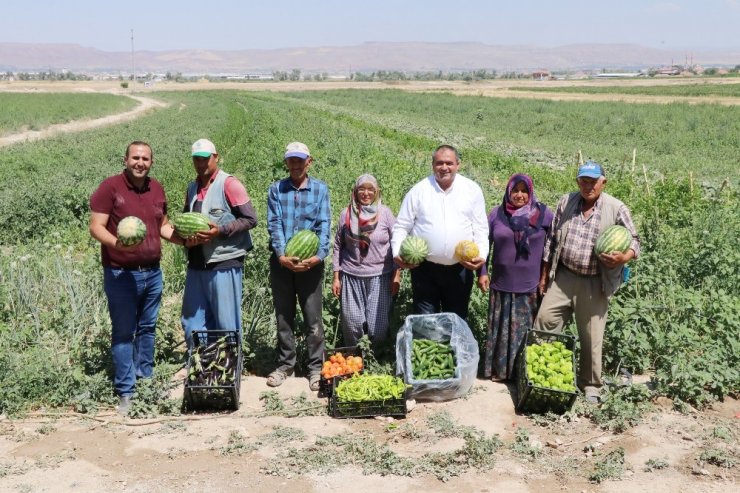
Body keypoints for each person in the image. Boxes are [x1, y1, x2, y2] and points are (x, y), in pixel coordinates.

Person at [89, 141, 183, 415]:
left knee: (147, 329)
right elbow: (96, 227)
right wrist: (117, 244)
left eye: (145, 158)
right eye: (135, 158)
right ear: (125, 159)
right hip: (121, 274)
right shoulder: (110, 187)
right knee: (123, 333)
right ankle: (126, 391)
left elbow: (162, 225)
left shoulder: (156, 188)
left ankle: (146, 382)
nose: (140, 162)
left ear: (151, 162)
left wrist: (186, 240)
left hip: (152, 272)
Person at [534, 161, 640, 403]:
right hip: (563, 277)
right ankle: (542, 374)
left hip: (595, 281)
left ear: (603, 182)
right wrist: (544, 276)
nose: (588, 185)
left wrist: (624, 256)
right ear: (577, 181)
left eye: (593, 181)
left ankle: (590, 385)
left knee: (591, 336)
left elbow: (635, 240)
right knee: (545, 321)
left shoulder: (616, 208)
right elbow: (551, 240)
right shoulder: (566, 202)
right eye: (583, 180)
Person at [391, 144, 488, 320]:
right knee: (426, 320)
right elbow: (402, 226)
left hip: (460, 269)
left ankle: (453, 348)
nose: (444, 167)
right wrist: (397, 253)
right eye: (439, 163)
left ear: (458, 164)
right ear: (432, 164)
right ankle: (428, 347)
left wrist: (481, 254)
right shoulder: (419, 190)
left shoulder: (472, 190)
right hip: (425, 270)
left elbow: (480, 228)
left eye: (449, 163)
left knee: (456, 320)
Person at [180, 138, 258, 348]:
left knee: (226, 323)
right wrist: (185, 238)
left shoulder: (229, 184)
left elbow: (251, 219)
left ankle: (229, 371)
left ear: (216, 157)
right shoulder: (191, 188)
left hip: (224, 262)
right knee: (192, 321)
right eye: (196, 159)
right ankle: (200, 367)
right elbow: (184, 219)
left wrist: (220, 231)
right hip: (196, 263)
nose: (201, 163)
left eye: (205, 158)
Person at [266, 142, 331, 391]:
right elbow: (274, 223)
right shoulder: (276, 190)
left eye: (299, 160)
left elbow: (324, 225)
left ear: (309, 162)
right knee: (284, 317)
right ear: (286, 163)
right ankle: (285, 365)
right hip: (281, 263)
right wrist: (282, 255)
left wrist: (319, 255)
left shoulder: (320, 190)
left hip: (311, 264)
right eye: (291, 160)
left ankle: (316, 368)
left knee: (313, 318)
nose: (295, 164)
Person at [477, 174, 553, 381]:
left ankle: (522, 373)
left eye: (524, 190)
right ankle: (500, 372)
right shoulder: (497, 214)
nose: (519, 195)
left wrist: (546, 277)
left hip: (530, 286)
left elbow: (552, 248)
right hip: (501, 285)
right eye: (515, 190)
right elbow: (483, 245)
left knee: (524, 331)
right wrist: (482, 272)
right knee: (501, 331)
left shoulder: (544, 215)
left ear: (530, 192)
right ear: (508, 191)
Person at [331, 174, 401, 347]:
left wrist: (396, 274)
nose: (366, 193)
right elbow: (338, 246)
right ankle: (355, 359)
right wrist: (336, 277)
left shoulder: (385, 214)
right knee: (352, 323)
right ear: (355, 192)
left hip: (380, 276)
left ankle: (376, 358)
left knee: (378, 326)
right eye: (362, 189)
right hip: (351, 275)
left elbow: (396, 244)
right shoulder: (346, 214)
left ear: (377, 192)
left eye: (370, 189)